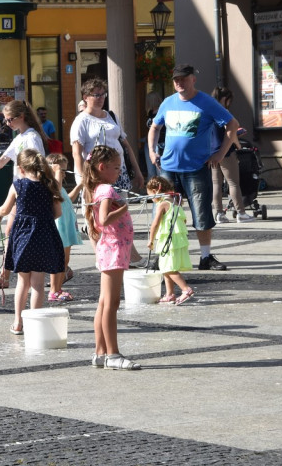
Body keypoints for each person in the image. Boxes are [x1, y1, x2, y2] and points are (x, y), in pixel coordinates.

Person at [148, 64, 237, 272]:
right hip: (168, 168)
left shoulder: (206, 102)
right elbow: (155, 127)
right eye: (176, 79)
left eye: (183, 78)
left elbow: (232, 125)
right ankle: (162, 254)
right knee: (164, 214)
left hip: (196, 167)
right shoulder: (168, 102)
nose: (179, 82)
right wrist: (152, 152)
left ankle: (205, 257)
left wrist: (221, 153)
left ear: (193, 79)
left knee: (201, 212)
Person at [0, 100, 48, 290]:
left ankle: (60, 269)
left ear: (21, 116)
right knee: (11, 233)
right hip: (19, 190)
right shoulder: (19, 138)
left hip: (28, 191)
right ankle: (4, 276)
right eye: (5, 120)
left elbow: (40, 166)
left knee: (21, 233)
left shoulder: (31, 137)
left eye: (10, 120)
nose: (7, 124)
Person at [82, 146, 139, 370]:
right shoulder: (105, 189)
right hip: (113, 249)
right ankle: (113, 355)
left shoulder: (99, 188)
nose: (119, 171)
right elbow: (103, 220)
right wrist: (123, 208)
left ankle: (100, 352)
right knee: (111, 304)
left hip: (113, 248)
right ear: (102, 167)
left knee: (104, 303)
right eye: (116, 167)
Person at [3, 149, 64, 335]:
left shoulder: (18, 185)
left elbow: (5, 209)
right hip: (44, 236)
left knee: (23, 281)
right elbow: (58, 213)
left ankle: (18, 322)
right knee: (38, 283)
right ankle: (35, 323)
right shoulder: (49, 185)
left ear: (21, 168)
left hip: (23, 237)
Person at [70, 78, 145, 195]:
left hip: (118, 171)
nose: (101, 98)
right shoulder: (81, 121)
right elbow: (77, 153)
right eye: (96, 95)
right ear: (85, 97)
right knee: (98, 210)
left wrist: (138, 172)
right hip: (96, 174)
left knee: (120, 210)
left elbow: (126, 145)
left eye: (103, 94)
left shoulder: (111, 116)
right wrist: (83, 180)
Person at [146, 176, 194, 305]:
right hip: (176, 241)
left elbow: (155, 224)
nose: (151, 199)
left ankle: (186, 289)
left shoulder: (162, 204)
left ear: (157, 190)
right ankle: (170, 294)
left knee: (169, 268)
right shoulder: (176, 202)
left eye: (151, 195)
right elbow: (183, 220)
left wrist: (150, 240)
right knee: (165, 267)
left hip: (168, 241)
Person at [209, 87, 254, 223]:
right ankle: (241, 213)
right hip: (226, 152)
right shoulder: (224, 112)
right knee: (233, 183)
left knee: (216, 184)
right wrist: (238, 145)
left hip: (212, 152)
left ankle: (219, 214)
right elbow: (231, 133)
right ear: (225, 99)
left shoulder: (209, 112)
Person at [45, 153, 83, 302]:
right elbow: (56, 190)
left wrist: (79, 186)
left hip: (66, 225)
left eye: (65, 170)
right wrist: (56, 174)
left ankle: (58, 288)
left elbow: (68, 199)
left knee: (65, 259)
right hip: (58, 225)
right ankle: (53, 291)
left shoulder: (60, 186)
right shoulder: (51, 185)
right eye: (62, 170)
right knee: (58, 259)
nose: (64, 174)